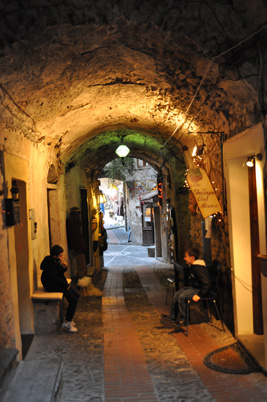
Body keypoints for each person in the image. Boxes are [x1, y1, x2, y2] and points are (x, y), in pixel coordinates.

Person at [162, 247, 211, 325]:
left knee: (181, 297)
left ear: (192, 258)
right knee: (176, 294)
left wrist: (199, 295)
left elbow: (207, 283)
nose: (184, 258)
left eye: (186, 256)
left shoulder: (198, 268)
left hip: (198, 290)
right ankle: (173, 316)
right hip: (194, 287)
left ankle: (185, 319)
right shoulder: (193, 266)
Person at [40, 244, 80, 333]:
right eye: (61, 255)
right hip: (52, 286)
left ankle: (69, 317)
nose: (62, 257)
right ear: (55, 256)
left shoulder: (55, 261)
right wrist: (65, 285)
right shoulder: (51, 264)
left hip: (57, 284)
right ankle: (67, 323)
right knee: (73, 299)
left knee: (76, 295)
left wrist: (64, 267)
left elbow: (59, 274)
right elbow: (54, 278)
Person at [66, 207, 87, 281]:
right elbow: (74, 236)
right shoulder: (72, 223)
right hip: (78, 247)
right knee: (81, 267)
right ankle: (81, 285)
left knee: (81, 266)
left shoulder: (73, 222)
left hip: (78, 246)